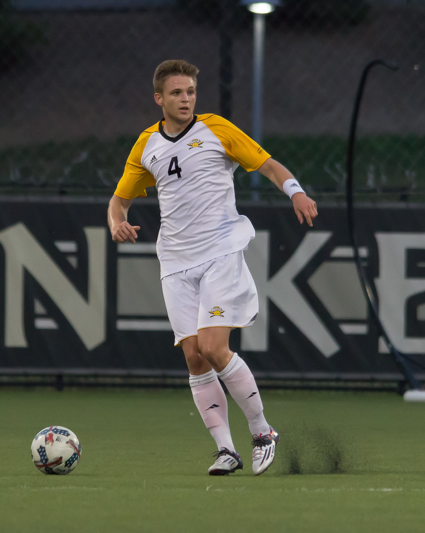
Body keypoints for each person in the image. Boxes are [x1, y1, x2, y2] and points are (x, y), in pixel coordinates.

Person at [107, 60, 318, 476]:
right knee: (193, 357)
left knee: (213, 348)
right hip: (175, 261)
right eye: (177, 93)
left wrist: (295, 192)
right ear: (159, 99)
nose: (186, 99)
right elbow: (120, 199)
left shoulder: (217, 129)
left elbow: (268, 164)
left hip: (220, 252)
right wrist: (116, 222)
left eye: (190, 92)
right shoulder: (146, 144)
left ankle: (261, 432)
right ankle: (226, 449)